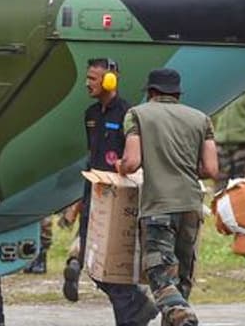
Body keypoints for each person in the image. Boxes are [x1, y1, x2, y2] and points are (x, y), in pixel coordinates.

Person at [118, 69, 219, 326]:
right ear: (177, 94)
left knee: (160, 275)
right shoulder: (201, 119)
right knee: (181, 281)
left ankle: (183, 315)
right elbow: (211, 169)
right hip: (191, 207)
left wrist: (121, 166)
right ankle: (179, 314)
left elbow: (132, 162)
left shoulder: (137, 114)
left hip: (158, 206)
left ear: (151, 92)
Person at [63, 58, 157, 326]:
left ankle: (133, 312)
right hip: (94, 188)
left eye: (93, 78)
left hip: (118, 195)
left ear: (109, 80)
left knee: (110, 266)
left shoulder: (128, 114)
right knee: (93, 262)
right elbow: (91, 154)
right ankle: (138, 305)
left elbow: (135, 157)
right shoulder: (90, 114)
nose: (87, 83)